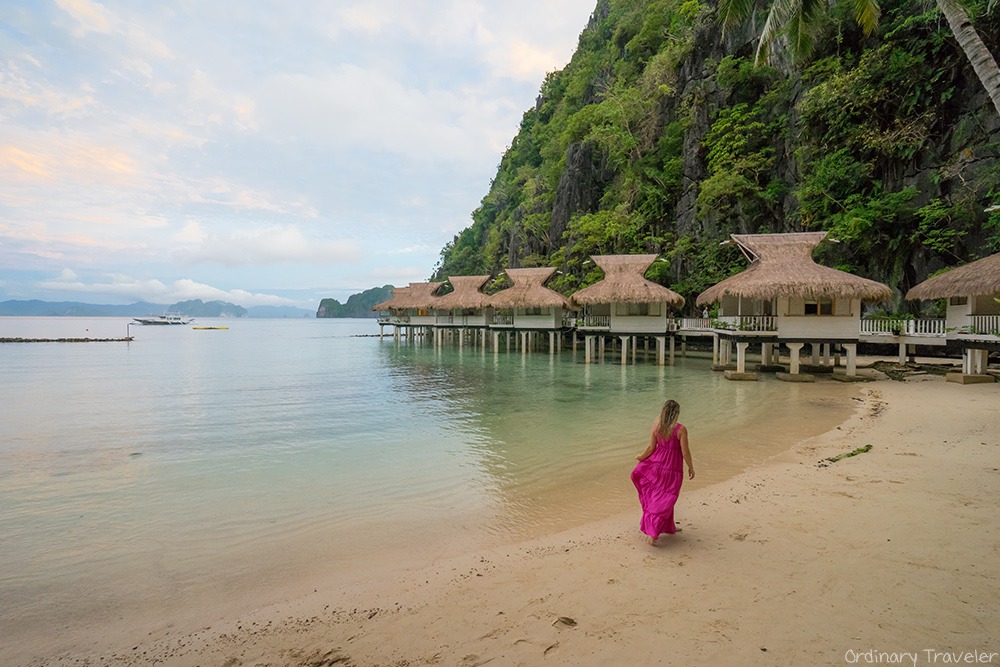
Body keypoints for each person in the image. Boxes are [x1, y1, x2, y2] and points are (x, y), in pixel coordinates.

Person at [631, 399, 695, 545]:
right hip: (672, 470)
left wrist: (641, 457)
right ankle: (652, 534)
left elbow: (650, 448)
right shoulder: (681, 430)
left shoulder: (657, 427)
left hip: (657, 467)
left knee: (664, 498)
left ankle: (669, 526)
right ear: (676, 413)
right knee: (667, 498)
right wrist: (691, 467)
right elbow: (685, 452)